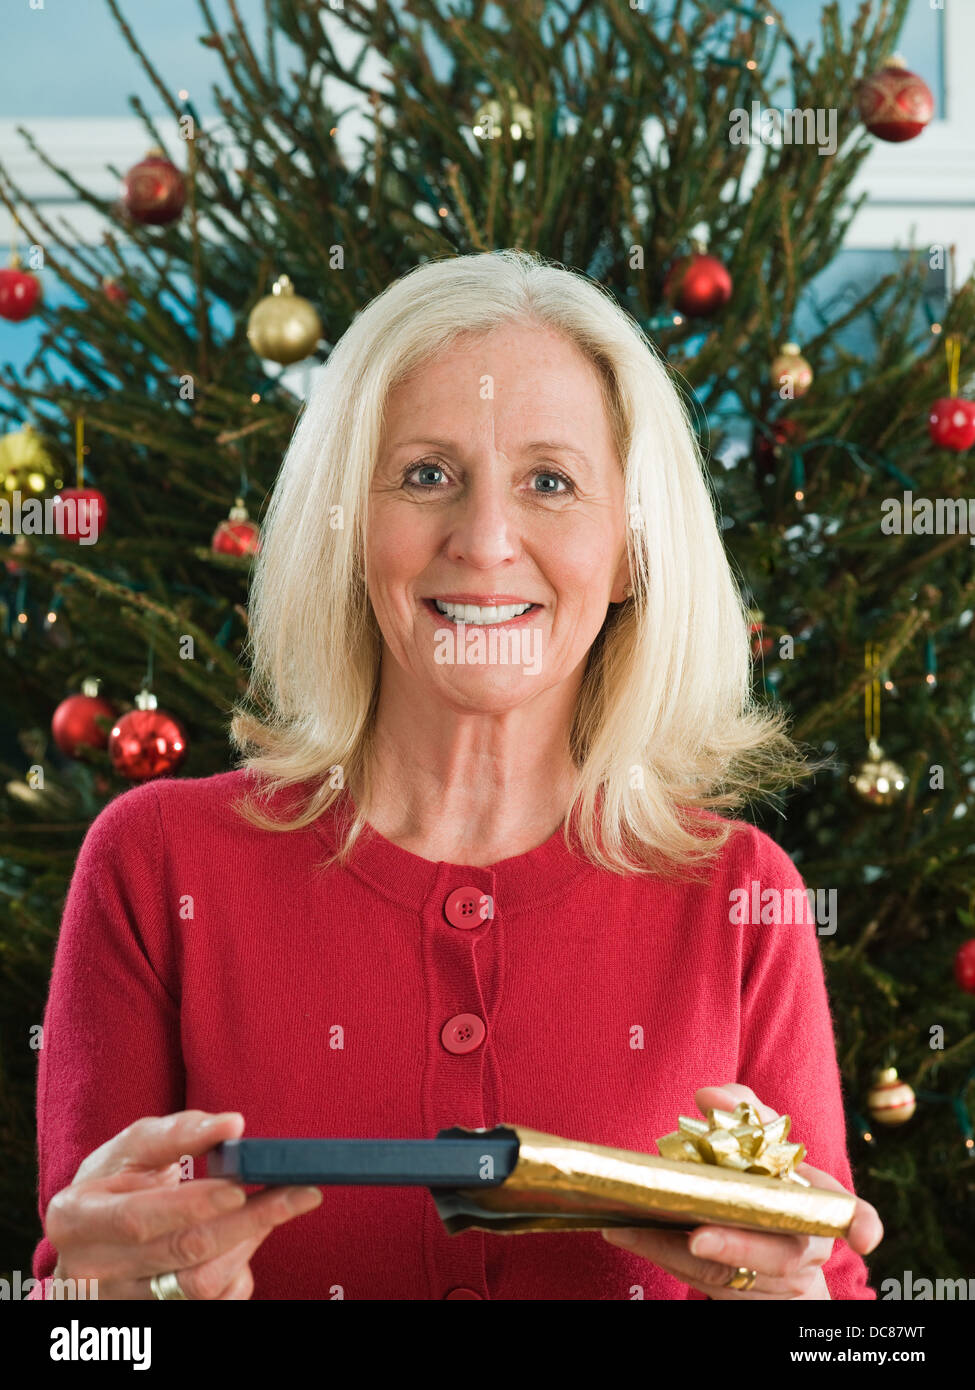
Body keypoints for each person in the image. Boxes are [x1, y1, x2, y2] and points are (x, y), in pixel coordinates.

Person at [29, 249, 882, 1300]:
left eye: (551, 482)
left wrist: (791, 1307)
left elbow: (838, 1312)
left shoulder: (744, 894)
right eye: (426, 474)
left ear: (630, 550)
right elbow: (82, 1309)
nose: (484, 542)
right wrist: (90, 1307)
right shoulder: (155, 863)